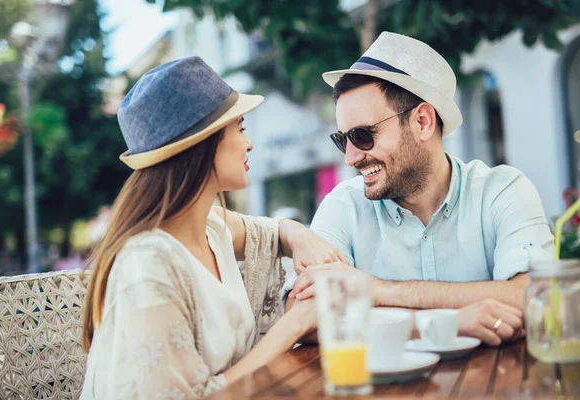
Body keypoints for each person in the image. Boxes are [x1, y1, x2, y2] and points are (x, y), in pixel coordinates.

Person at [80, 57, 345, 399]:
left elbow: (267, 230)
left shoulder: (209, 226)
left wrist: (297, 233)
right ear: (204, 144)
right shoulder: (147, 266)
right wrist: (294, 323)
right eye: (241, 128)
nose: (249, 143)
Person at [286, 32, 553, 346]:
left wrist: (377, 291)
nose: (351, 157)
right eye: (342, 139)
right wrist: (446, 322)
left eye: (362, 135)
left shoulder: (501, 190)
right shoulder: (344, 206)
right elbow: (300, 316)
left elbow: (540, 298)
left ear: (423, 121)